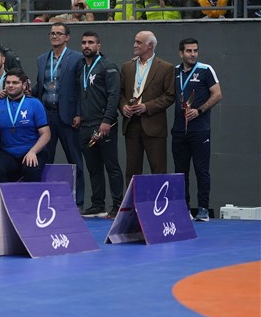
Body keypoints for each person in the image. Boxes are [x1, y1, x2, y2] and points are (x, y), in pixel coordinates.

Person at [0, 70, 51, 205]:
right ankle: (9, 204)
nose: (10, 85)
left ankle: (33, 206)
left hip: (32, 151)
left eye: (15, 83)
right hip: (8, 152)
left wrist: (33, 152)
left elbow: (46, 134)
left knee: (31, 167)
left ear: (24, 85)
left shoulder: (35, 104)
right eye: (8, 83)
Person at [32, 23, 85, 208]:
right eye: (52, 33)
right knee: (45, 159)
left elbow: (80, 88)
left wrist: (78, 112)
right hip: (46, 116)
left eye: (59, 33)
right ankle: (42, 200)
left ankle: (79, 202)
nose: (54, 36)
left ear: (67, 37)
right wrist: (27, 91)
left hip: (68, 116)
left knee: (75, 160)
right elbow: (40, 87)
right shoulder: (41, 59)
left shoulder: (77, 58)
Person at [172, 38, 222, 222]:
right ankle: (183, 209)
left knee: (201, 170)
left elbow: (217, 94)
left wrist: (199, 110)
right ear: (181, 53)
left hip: (200, 130)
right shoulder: (174, 72)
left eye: (195, 50)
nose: (193, 54)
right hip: (179, 130)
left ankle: (203, 209)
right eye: (189, 51)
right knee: (180, 172)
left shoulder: (205, 70)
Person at [77, 32, 123, 218]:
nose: (87, 45)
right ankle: (98, 204)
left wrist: (107, 120)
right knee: (93, 167)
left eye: (91, 42)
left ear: (98, 46)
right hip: (86, 125)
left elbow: (114, 95)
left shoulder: (108, 66)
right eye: (84, 42)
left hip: (103, 124)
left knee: (111, 166)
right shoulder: (81, 67)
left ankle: (118, 205)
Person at [119, 31, 175, 184]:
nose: (134, 45)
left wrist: (147, 107)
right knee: (132, 170)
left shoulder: (166, 67)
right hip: (131, 124)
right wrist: (123, 106)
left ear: (150, 45)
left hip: (154, 125)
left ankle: (159, 200)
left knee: (158, 170)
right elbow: (120, 93)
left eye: (139, 42)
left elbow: (170, 96)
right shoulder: (127, 67)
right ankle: (131, 200)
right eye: (135, 41)